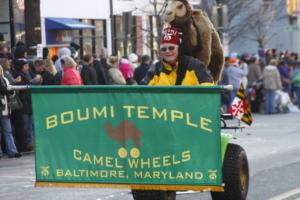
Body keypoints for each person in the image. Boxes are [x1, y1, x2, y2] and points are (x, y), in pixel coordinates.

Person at [142, 27, 213, 86]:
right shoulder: (156, 69)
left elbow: (208, 89)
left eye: (171, 48)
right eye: (163, 49)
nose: (167, 51)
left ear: (179, 48)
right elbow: (142, 93)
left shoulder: (195, 66)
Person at [0, 65, 22, 158]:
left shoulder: (4, 79)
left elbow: (11, 92)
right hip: (4, 108)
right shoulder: (3, 80)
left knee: (8, 131)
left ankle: (12, 151)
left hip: (5, 108)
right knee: (6, 131)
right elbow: (6, 90)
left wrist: (10, 91)